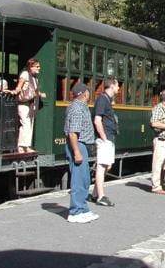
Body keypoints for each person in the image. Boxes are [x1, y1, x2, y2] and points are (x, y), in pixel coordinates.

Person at [64, 83, 99, 223]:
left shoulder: (80, 107)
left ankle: (83, 209)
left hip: (81, 144)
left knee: (84, 179)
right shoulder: (77, 108)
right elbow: (73, 133)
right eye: (88, 92)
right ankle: (75, 211)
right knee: (79, 179)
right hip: (78, 144)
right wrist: (77, 152)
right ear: (84, 94)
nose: (90, 94)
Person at [91, 77, 119, 207]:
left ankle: (95, 193)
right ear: (112, 86)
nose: (119, 88)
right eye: (118, 85)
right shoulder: (102, 99)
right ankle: (101, 196)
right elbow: (97, 120)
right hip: (105, 138)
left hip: (108, 137)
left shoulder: (107, 100)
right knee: (102, 166)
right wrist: (104, 138)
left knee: (108, 165)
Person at [13, 58, 46, 153]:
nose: (39, 68)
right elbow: (20, 84)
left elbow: (33, 91)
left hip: (31, 104)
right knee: (26, 124)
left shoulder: (35, 78)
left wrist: (40, 93)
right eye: (37, 66)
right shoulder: (25, 74)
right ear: (31, 66)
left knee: (30, 124)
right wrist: (17, 90)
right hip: (24, 104)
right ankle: (21, 146)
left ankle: (26, 146)